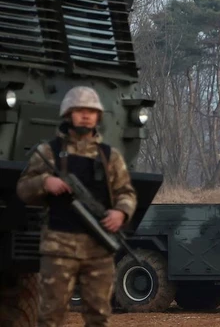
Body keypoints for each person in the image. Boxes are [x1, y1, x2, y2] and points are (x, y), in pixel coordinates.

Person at [16, 86, 137, 327]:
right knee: (51, 315)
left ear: (98, 117)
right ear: (68, 114)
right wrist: (44, 182)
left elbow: (127, 192)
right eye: (79, 110)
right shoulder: (48, 152)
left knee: (99, 316)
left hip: (98, 247)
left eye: (91, 111)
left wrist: (120, 212)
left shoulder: (109, 157)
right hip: (59, 247)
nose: (85, 115)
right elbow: (23, 189)